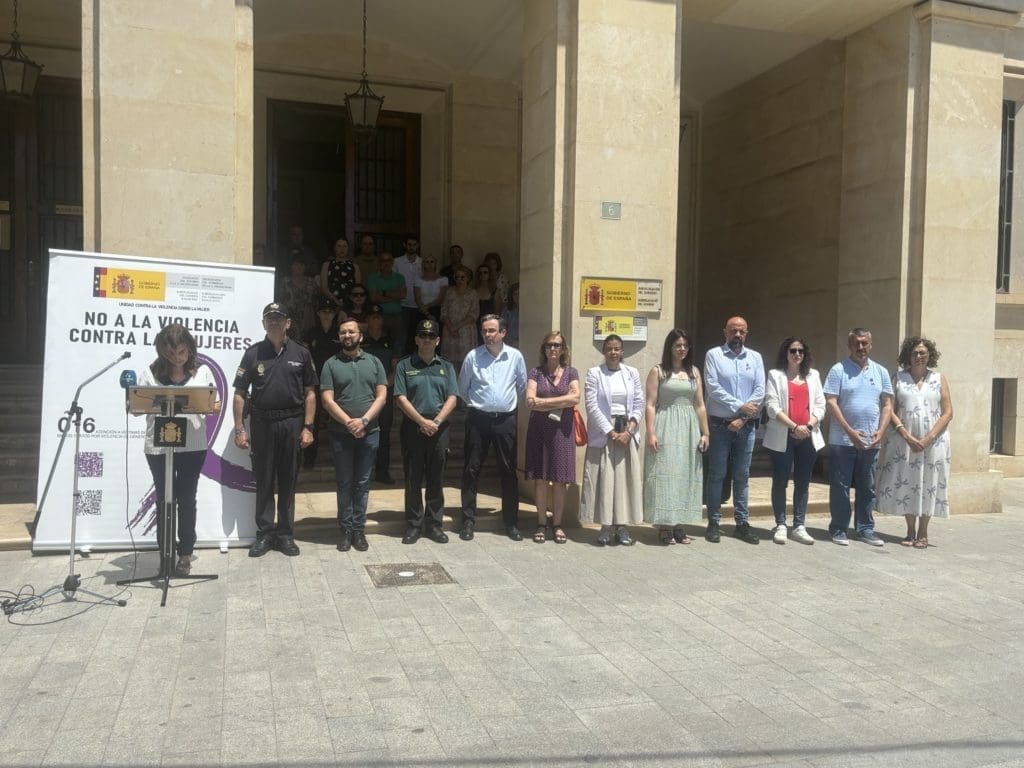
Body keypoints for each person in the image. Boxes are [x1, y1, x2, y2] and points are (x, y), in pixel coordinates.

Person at [233, 302, 317, 558]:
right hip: (262, 424)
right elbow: (239, 393)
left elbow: (310, 393)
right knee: (264, 480)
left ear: (287, 323)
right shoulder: (253, 354)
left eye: (279, 318)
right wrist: (239, 428)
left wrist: (308, 427)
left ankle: (286, 535)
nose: (274, 322)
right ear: (263, 323)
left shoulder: (301, 353)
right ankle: (265, 534)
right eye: (269, 318)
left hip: (292, 423)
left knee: (288, 480)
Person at [139, 323, 219, 574]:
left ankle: (185, 553)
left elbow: (214, 404)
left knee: (186, 498)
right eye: (171, 352)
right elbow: (137, 405)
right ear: (162, 350)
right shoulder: (150, 372)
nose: (176, 358)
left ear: (190, 349)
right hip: (159, 446)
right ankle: (165, 554)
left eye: (182, 352)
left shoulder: (202, 372)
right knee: (164, 499)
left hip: (192, 446)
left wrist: (205, 404)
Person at [876, 336, 953, 549]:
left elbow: (948, 412)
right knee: (908, 482)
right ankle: (910, 530)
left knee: (929, 482)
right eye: (915, 353)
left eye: (923, 353)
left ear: (930, 355)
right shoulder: (898, 378)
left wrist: (928, 438)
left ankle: (923, 531)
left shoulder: (939, 379)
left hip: (934, 443)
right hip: (904, 442)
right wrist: (906, 435)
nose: (919, 356)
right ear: (908, 356)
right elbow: (889, 409)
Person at [320, 318, 388, 552]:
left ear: (361, 335)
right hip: (341, 433)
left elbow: (382, 396)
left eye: (351, 332)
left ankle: (359, 530)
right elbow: (327, 400)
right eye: (343, 332)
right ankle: (346, 530)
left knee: (362, 483)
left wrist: (364, 421)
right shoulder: (330, 364)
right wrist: (349, 423)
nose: (347, 336)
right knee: (344, 483)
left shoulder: (375, 362)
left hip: (370, 432)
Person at [458, 314, 528, 541]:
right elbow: (463, 389)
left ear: (503, 332)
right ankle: (468, 521)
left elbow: (521, 387)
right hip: (478, 420)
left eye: (492, 330)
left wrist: (503, 404)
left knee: (508, 470)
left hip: (505, 421)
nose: (487, 335)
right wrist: (481, 405)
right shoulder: (473, 356)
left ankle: (511, 522)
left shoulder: (515, 356)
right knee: (471, 469)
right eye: (484, 331)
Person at [824, 327, 894, 546]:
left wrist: (881, 431)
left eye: (865, 343)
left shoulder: (881, 372)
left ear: (871, 345)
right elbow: (831, 402)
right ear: (850, 345)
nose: (861, 347)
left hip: (871, 441)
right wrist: (850, 431)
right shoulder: (838, 370)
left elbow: (887, 404)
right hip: (843, 441)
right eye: (857, 343)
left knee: (867, 487)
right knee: (841, 487)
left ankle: (865, 529)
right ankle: (838, 529)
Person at [394, 319, 459, 544]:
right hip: (413, 428)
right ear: (416, 339)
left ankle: (434, 525)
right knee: (413, 479)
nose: (427, 340)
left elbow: (453, 397)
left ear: (438, 340)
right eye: (422, 335)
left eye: (431, 336)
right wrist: (422, 421)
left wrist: (437, 422)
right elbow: (400, 397)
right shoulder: (405, 365)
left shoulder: (446, 366)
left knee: (436, 479)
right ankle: (413, 525)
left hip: (439, 430)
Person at [643, 329, 709, 545]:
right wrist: (651, 432)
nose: (682, 349)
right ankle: (664, 525)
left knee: (685, 474)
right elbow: (650, 404)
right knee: (665, 473)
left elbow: (700, 404)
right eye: (677, 345)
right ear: (670, 347)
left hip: (689, 427)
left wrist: (705, 432)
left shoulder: (694, 372)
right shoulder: (658, 371)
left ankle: (679, 524)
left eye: (685, 346)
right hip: (665, 424)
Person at [703, 316, 764, 545]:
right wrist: (740, 406)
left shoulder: (755, 357)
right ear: (725, 332)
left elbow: (760, 390)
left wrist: (743, 417)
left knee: (742, 476)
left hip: (746, 426)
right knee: (717, 474)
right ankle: (713, 522)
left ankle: (742, 523)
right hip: (720, 425)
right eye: (733, 331)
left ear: (746, 334)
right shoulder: (713, 355)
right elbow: (713, 387)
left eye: (741, 331)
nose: (737, 335)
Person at [581, 334, 644, 546]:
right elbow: (592, 406)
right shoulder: (594, 374)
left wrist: (629, 430)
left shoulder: (632, 373)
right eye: (609, 348)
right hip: (604, 434)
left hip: (626, 433)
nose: (613, 352)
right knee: (606, 482)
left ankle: (622, 527)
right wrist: (610, 432)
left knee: (624, 482)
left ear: (622, 351)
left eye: (617, 349)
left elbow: (638, 403)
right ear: (603, 351)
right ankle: (605, 527)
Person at [763, 337, 826, 545]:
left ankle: (799, 525)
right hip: (783, 435)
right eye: (793, 350)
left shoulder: (813, 375)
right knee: (780, 480)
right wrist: (794, 427)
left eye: (800, 351)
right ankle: (781, 524)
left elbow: (820, 405)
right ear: (786, 353)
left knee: (803, 482)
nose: (797, 354)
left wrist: (808, 427)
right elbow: (771, 406)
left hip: (808, 436)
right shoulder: (775, 375)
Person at [524, 331, 580, 544]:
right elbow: (530, 401)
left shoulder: (571, 372)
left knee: (559, 480)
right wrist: (562, 401)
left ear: (563, 349)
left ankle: (557, 524)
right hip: (538, 430)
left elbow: (576, 398)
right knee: (540, 479)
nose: (553, 349)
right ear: (544, 349)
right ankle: (541, 523)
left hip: (562, 432)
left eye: (557, 345)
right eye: (549, 345)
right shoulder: (535, 372)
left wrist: (543, 403)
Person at [302, 298, 343, 469]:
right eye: (323, 312)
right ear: (318, 314)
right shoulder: (310, 333)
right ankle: (309, 459)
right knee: (313, 420)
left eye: (330, 312)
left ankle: (340, 459)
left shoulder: (340, 333)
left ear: (334, 314)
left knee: (339, 420)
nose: (326, 315)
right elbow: (305, 358)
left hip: (336, 383)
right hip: (315, 382)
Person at [361, 304, 397, 484]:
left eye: (378, 316)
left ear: (382, 320)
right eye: (372, 316)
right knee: (362, 432)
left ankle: (382, 472)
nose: (375, 319)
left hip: (384, 395)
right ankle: (363, 473)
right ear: (367, 320)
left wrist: (381, 389)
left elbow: (395, 369)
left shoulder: (390, 340)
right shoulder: (361, 340)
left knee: (384, 434)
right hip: (364, 394)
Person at [367, 251, 407, 355]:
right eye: (383, 261)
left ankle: (396, 363)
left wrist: (384, 293)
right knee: (380, 343)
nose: (386, 263)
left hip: (397, 316)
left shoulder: (400, 277)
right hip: (380, 316)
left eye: (388, 260)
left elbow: (403, 295)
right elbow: (374, 297)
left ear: (392, 262)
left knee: (398, 344)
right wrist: (394, 297)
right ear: (379, 263)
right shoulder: (372, 278)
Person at [440, 264, 479, 368]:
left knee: (466, 362)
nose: (459, 280)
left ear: (468, 278)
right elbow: (443, 311)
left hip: (466, 331)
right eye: (457, 277)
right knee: (450, 363)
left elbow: (474, 313)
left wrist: (456, 327)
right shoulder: (449, 292)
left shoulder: (473, 293)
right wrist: (451, 327)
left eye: (462, 277)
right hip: (449, 331)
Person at [394, 233, 422, 353]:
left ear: (418, 246)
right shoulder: (397, 262)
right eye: (409, 244)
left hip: (419, 306)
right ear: (405, 245)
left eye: (414, 245)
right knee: (401, 337)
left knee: (417, 337)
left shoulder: (423, 262)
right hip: (402, 305)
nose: (411, 247)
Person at [278, 256, 318, 339]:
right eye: (296, 264)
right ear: (291, 266)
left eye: (301, 265)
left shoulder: (311, 282)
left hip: (307, 319)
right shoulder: (285, 282)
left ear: (305, 267)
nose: (299, 267)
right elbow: (279, 302)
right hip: (289, 319)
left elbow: (316, 301)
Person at [320, 236, 362, 311]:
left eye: (344, 246)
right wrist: (337, 301)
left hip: (350, 304)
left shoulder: (355, 267)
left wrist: (348, 303)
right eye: (339, 246)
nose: (342, 249)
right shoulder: (326, 265)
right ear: (335, 248)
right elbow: (324, 288)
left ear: (348, 248)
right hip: (331, 304)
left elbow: (357, 289)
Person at [413, 254, 448, 329]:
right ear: (423, 264)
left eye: (432, 261)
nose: (429, 264)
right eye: (427, 262)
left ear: (435, 264)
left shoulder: (443, 279)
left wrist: (426, 307)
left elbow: (441, 298)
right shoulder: (418, 280)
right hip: (422, 311)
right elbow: (417, 298)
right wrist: (427, 313)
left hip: (437, 310)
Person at [502, 282, 520, 348]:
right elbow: (502, 326)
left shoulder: (529, 309)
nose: (517, 296)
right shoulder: (507, 310)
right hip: (510, 342)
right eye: (515, 294)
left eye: (519, 293)